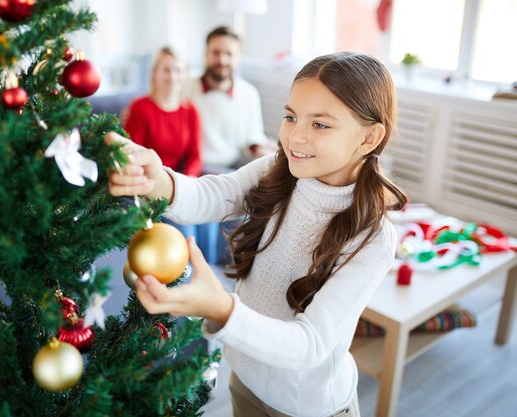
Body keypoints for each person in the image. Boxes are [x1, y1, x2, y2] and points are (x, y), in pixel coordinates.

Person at [105, 51, 407, 417]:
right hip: (245, 379)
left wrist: (221, 308)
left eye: (320, 125)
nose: (295, 136)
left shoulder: (372, 238)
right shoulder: (278, 169)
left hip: (306, 407)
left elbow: (309, 344)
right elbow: (213, 195)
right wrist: (158, 179)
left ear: (369, 137)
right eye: (291, 116)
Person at [123, 46, 202, 242]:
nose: (172, 76)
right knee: (184, 228)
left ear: (184, 76)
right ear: (155, 73)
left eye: (178, 70)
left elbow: (195, 155)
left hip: (178, 184)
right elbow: (133, 156)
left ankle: (205, 267)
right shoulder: (140, 108)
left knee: (201, 218)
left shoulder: (190, 110)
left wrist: (189, 182)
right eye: (166, 69)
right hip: (148, 186)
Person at [184, 26, 274, 173]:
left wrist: (266, 156)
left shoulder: (249, 93)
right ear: (206, 54)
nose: (222, 60)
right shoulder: (186, 87)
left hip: (232, 165)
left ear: (238, 58)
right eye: (216, 53)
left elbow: (253, 137)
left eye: (229, 54)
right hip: (195, 165)